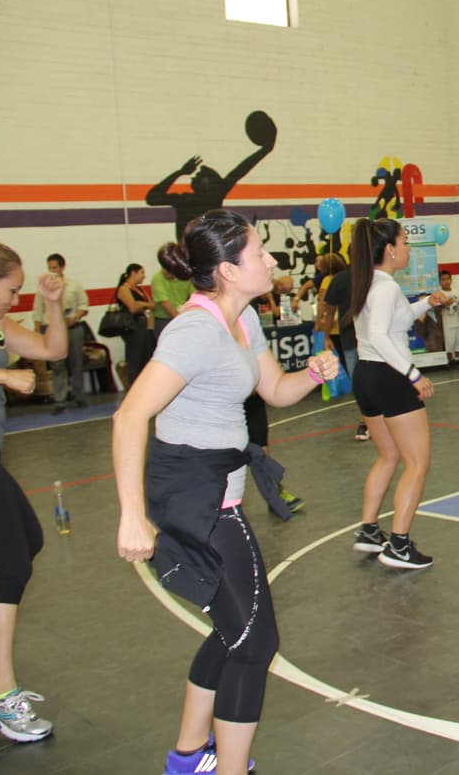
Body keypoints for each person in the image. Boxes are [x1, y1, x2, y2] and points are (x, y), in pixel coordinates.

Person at [112, 210, 339, 775]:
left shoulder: (245, 321)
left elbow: (276, 392)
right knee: (256, 642)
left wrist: (312, 373)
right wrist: (131, 517)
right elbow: (128, 417)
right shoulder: (195, 330)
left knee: (233, 629)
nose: (267, 259)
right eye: (258, 252)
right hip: (197, 498)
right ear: (230, 272)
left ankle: (187, 756)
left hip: (222, 492)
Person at [0, 242, 66, 743]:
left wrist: (50, 304)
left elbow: (53, 351)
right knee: (11, 565)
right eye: (11, 290)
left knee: (25, 541)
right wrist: (2, 373)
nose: (13, 299)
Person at [346, 218, 446, 569]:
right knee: (417, 463)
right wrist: (412, 373)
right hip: (390, 376)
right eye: (404, 242)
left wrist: (427, 304)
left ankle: (370, 530)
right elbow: (380, 335)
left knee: (388, 457)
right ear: (389, 249)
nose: (407, 247)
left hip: (367, 376)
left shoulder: (371, 283)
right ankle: (400, 545)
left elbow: (392, 323)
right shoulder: (385, 287)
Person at [145, 132, 275, 240]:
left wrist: (180, 172)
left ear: (208, 182)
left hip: (197, 254)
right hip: (197, 254)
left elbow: (241, 169)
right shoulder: (212, 196)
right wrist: (265, 149)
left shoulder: (189, 199)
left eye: (199, 175)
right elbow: (151, 199)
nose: (194, 176)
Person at [319, 261, 368, 442]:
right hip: (359, 339)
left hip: (359, 340)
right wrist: (326, 336)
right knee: (362, 381)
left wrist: (326, 336)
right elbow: (330, 310)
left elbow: (329, 311)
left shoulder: (368, 276)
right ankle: (367, 419)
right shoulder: (348, 279)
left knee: (359, 381)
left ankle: (369, 419)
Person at [33, 253, 89, 411]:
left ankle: (79, 396)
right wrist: (38, 331)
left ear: (62, 267)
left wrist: (76, 317)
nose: (52, 271)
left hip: (72, 328)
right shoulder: (43, 287)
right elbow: (38, 311)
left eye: (55, 268)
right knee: (57, 365)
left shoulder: (73, 284)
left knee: (77, 362)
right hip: (51, 329)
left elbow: (83, 305)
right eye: (49, 268)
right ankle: (60, 399)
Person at [115, 263, 155, 385]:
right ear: (133, 273)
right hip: (134, 328)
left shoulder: (140, 289)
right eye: (142, 273)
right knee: (135, 360)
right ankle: (134, 387)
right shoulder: (124, 289)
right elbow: (132, 307)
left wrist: (141, 304)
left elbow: (153, 305)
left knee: (148, 358)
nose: (144, 276)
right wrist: (142, 305)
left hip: (146, 326)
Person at [152, 257, 194, 341]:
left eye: (168, 269)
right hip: (164, 321)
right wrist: (181, 321)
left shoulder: (186, 277)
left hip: (184, 317)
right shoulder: (157, 278)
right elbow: (165, 303)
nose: (165, 272)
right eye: (163, 268)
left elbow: (194, 296)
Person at [436, 270, 459, 366]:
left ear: (451, 279)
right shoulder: (438, 293)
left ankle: (458, 358)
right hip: (446, 322)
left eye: (448, 279)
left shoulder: (456, 291)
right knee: (449, 341)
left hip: (456, 321)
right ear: (440, 281)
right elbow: (436, 308)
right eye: (443, 280)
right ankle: (450, 360)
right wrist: (445, 303)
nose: (446, 281)